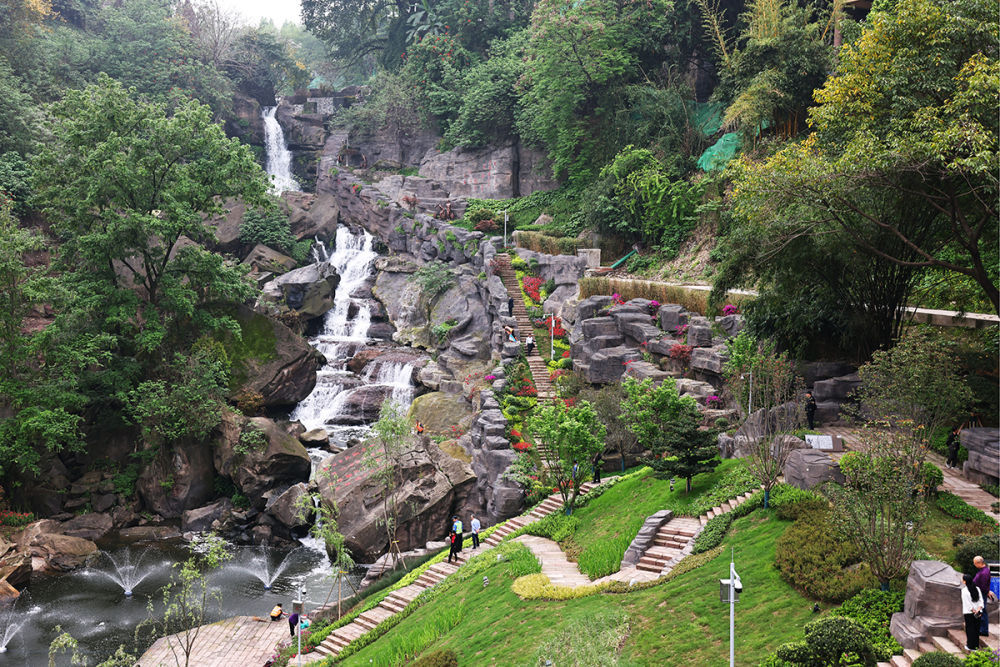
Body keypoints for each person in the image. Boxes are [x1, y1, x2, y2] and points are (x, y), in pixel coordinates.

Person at [973, 556, 996, 636]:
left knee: (982, 610)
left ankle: (984, 630)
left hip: (981, 593)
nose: (974, 564)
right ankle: (981, 629)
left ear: (979, 563)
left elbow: (984, 585)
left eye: (975, 563)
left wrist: (986, 592)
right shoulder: (983, 570)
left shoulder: (984, 572)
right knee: (981, 610)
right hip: (981, 592)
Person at [962, 572, 984, 651]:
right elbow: (981, 600)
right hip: (978, 613)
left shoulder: (964, 590)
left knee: (970, 629)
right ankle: (976, 646)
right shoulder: (977, 588)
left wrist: (973, 610)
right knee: (976, 629)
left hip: (969, 613)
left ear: (965, 581)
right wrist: (978, 610)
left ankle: (970, 646)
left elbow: (967, 603)